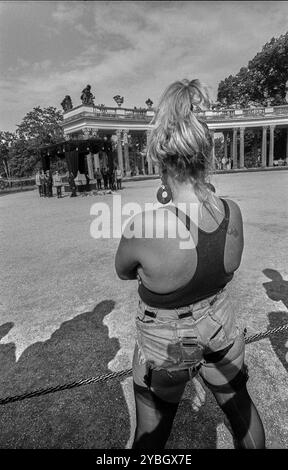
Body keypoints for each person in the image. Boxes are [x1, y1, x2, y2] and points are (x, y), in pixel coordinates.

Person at [115, 78, 265, 449]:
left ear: (161, 161)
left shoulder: (146, 225)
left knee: (151, 435)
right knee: (242, 411)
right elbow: (228, 266)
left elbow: (123, 270)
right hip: (221, 325)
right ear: (206, 155)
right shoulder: (233, 212)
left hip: (164, 338)